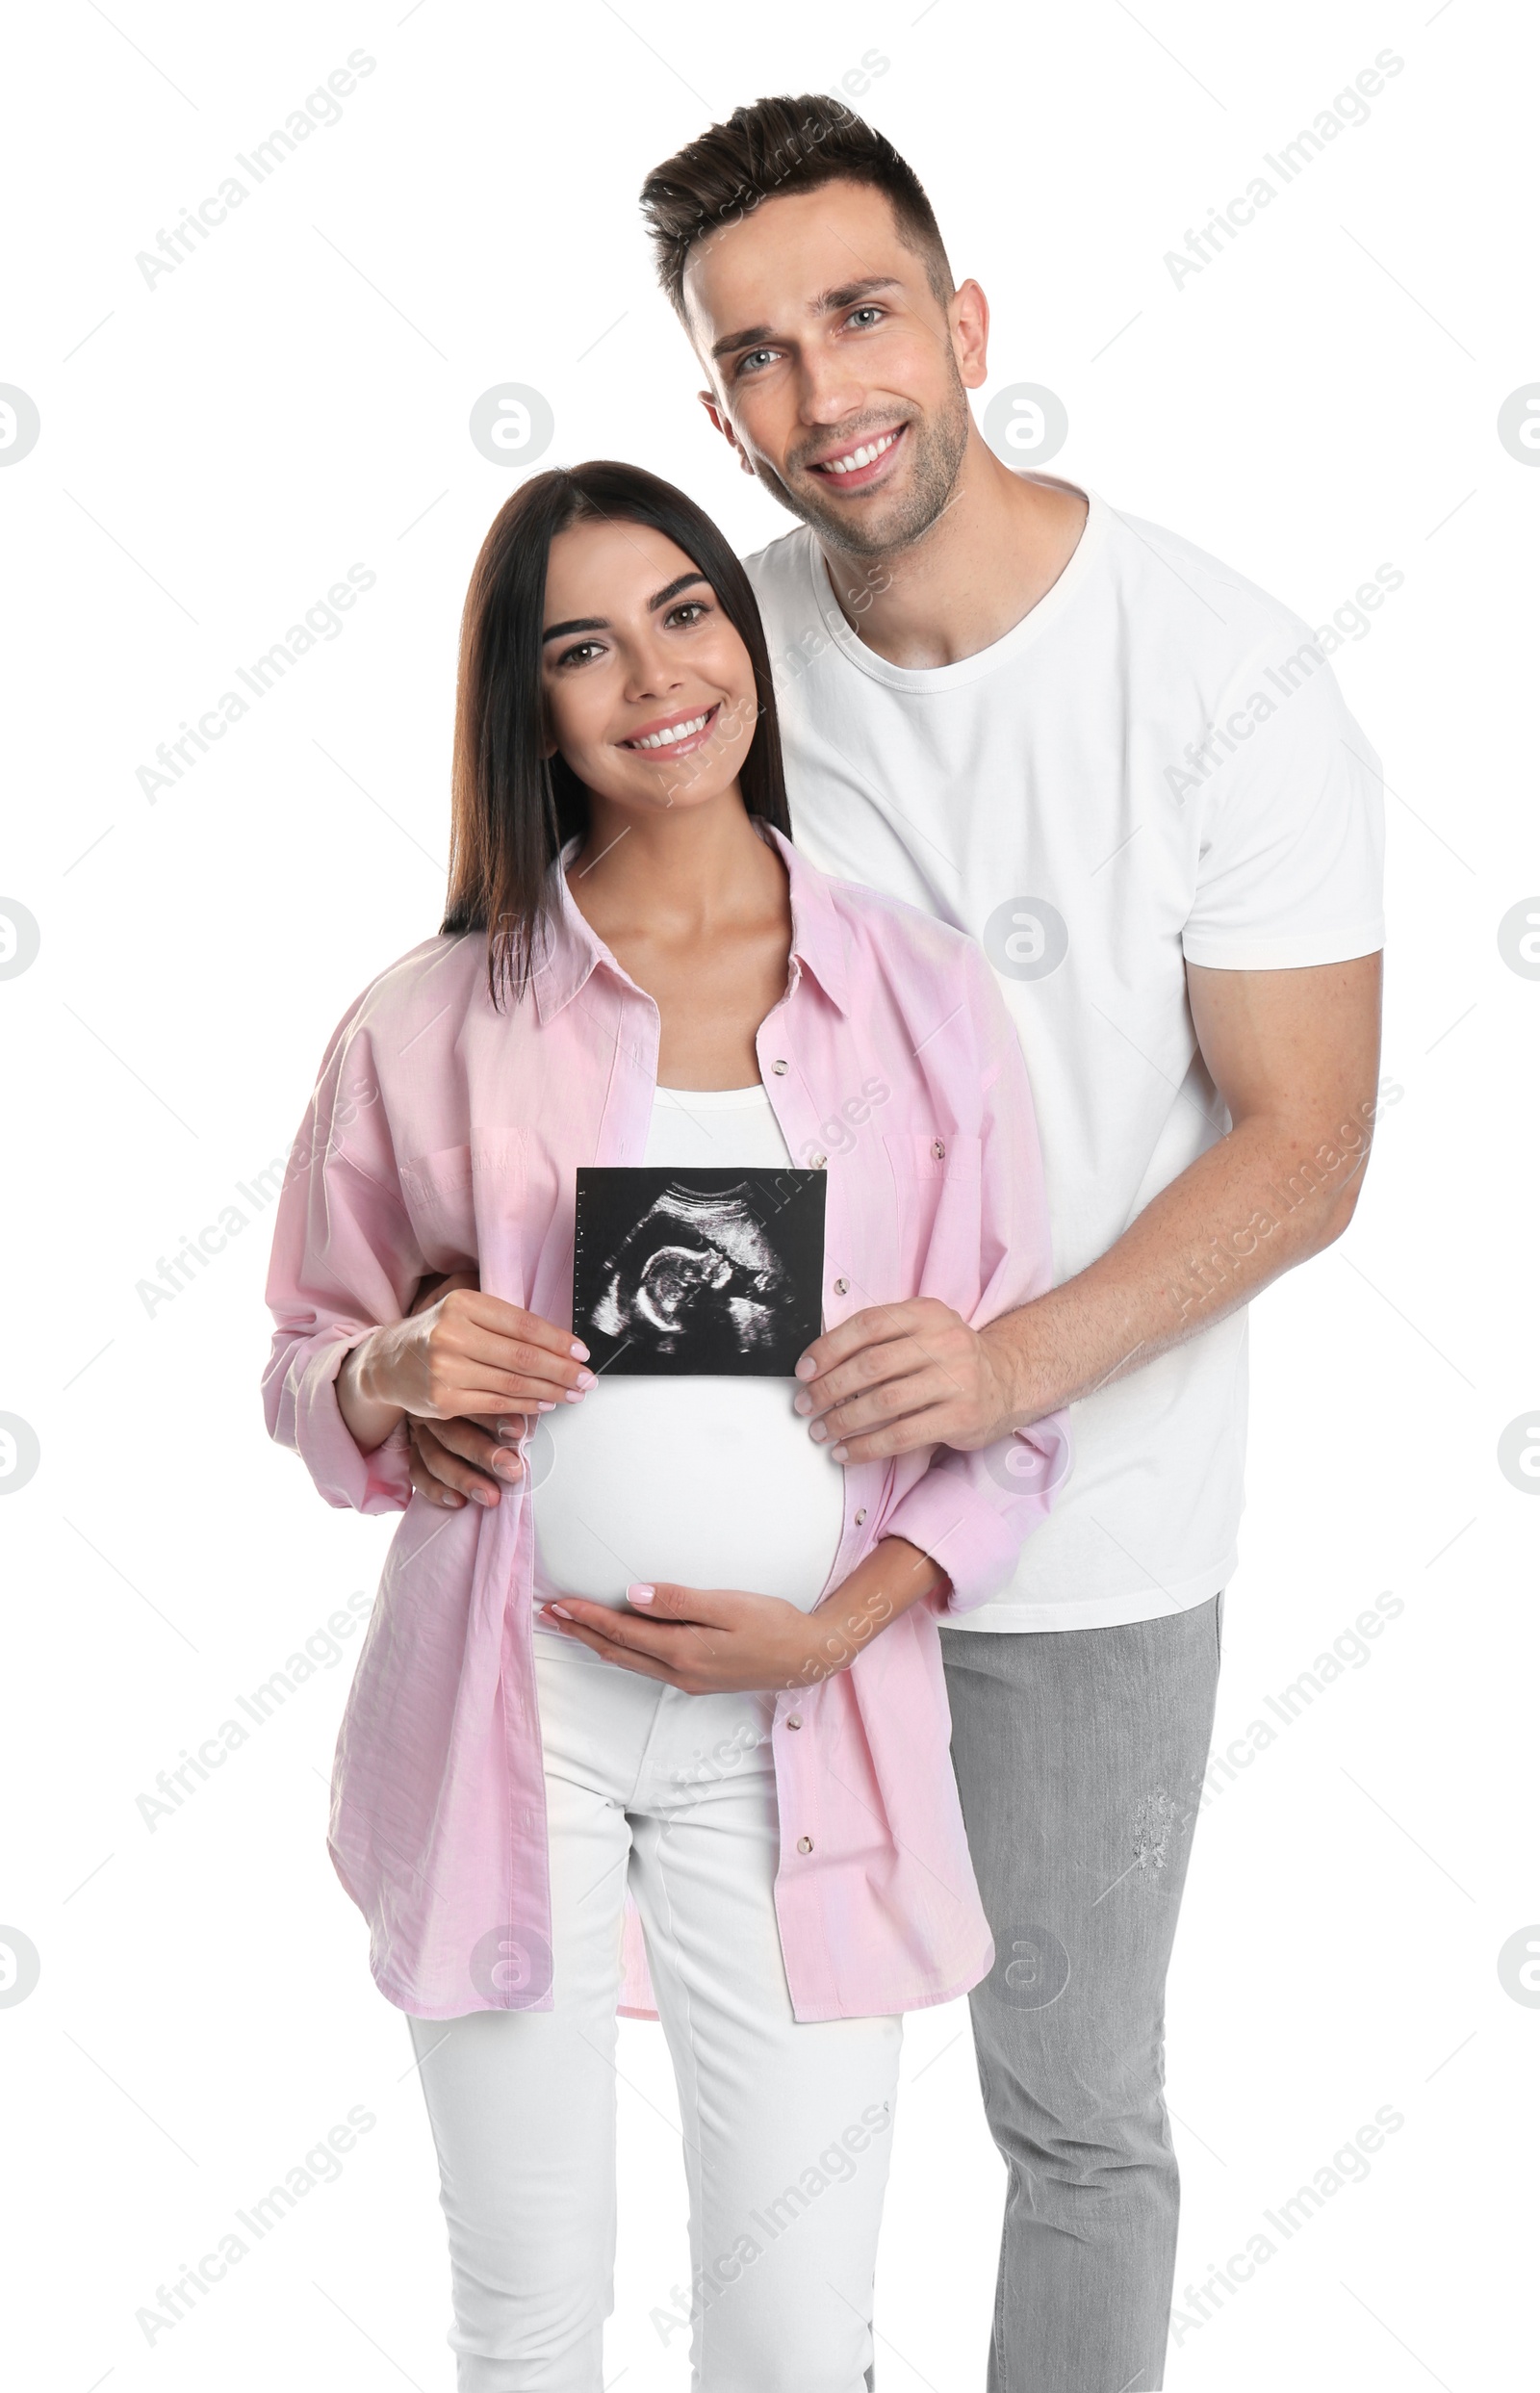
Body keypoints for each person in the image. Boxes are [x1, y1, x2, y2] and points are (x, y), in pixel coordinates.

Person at [401, 100, 1387, 2393]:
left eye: (856, 316)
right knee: (753, 2168)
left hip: (1083, 1543)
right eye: (751, 355)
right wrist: (425, 1360)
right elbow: (544, 1024)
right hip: (728, 1556)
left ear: (959, 328)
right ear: (709, 409)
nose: (818, 389)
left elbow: (1307, 1141)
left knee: (1066, 2113)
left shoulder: (1218, 673)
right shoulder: (704, 665)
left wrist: (1009, 1369)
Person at [261, 457, 1068, 2393]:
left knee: (794, 2340)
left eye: (686, 611)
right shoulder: (432, 1016)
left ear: (745, 636)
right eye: (579, 647)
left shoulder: (922, 1000)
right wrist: (392, 1372)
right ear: (521, 706)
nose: (651, 675)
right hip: (504, 1725)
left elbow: (1014, 1418)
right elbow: (305, 1354)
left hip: (799, 1733)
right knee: (526, 2320)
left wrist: (844, 1614)